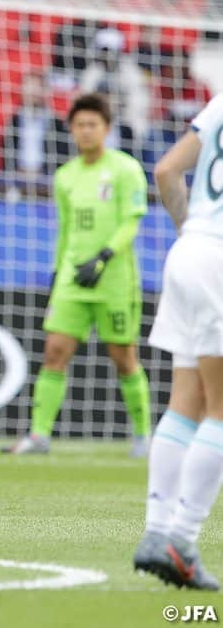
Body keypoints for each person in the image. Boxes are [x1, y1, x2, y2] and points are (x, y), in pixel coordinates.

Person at [1, 93, 151, 457]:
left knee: (123, 356)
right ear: (71, 130)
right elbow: (65, 230)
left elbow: (132, 222)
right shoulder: (65, 176)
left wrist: (103, 257)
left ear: (106, 129)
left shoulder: (126, 169)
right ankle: (39, 436)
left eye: (92, 125)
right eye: (80, 125)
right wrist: (57, 273)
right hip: (72, 278)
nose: (86, 131)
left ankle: (145, 437)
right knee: (54, 351)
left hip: (114, 278)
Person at [131, 93, 223, 591]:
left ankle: (156, 532)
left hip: (188, 252)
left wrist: (193, 234)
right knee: (222, 408)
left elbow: (167, 170)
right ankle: (182, 541)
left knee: (186, 402)